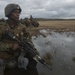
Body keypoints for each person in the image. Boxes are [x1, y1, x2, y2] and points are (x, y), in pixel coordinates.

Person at [0, 3, 38, 75]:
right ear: (9, 13)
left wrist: (32, 49)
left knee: (35, 57)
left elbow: (29, 40)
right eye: (15, 12)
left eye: (19, 12)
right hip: (8, 53)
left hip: (21, 50)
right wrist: (10, 46)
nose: (18, 14)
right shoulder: (2, 27)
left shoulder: (22, 27)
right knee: (11, 66)